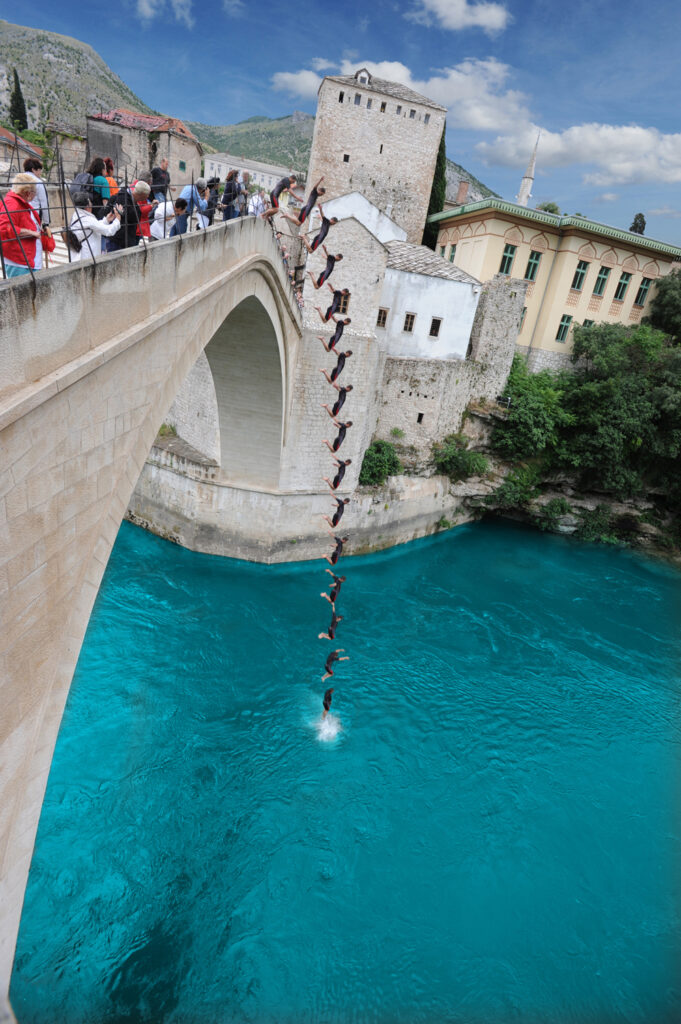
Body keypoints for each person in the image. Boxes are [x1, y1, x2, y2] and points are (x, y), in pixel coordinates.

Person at [0, 172, 41, 277]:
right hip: (19, 263)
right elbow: (5, 228)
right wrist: (31, 233)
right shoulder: (12, 203)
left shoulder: (22, 203)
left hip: (27, 260)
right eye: (34, 192)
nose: (35, 195)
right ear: (28, 193)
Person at [68, 192, 122, 259]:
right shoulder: (87, 219)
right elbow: (108, 231)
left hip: (80, 256)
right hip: (87, 257)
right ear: (87, 206)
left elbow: (94, 226)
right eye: (90, 201)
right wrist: (118, 219)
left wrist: (106, 220)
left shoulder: (77, 215)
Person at [22, 158, 50, 270]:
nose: (40, 174)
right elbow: (44, 203)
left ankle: (25, 265)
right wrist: (46, 223)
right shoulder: (37, 182)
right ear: (33, 169)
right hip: (34, 216)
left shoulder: (18, 179)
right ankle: (36, 268)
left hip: (19, 215)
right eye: (39, 170)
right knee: (36, 243)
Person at [103, 180, 148, 250]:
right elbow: (134, 217)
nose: (147, 198)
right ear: (141, 195)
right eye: (146, 196)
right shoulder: (123, 199)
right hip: (118, 241)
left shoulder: (132, 200)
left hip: (125, 239)